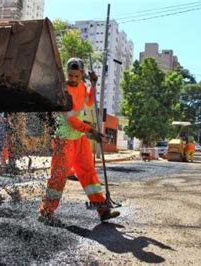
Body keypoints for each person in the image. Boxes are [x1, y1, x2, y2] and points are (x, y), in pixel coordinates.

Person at [39, 58, 120, 225]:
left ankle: (102, 210)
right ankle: (46, 212)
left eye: (76, 75)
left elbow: (89, 102)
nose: (73, 79)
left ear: (82, 74)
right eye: (70, 75)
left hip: (79, 139)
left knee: (89, 174)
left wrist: (94, 84)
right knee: (58, 177)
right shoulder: (63, 91)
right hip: (65, 140)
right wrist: (91, 130)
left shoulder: (83, 87)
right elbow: (71, 120)